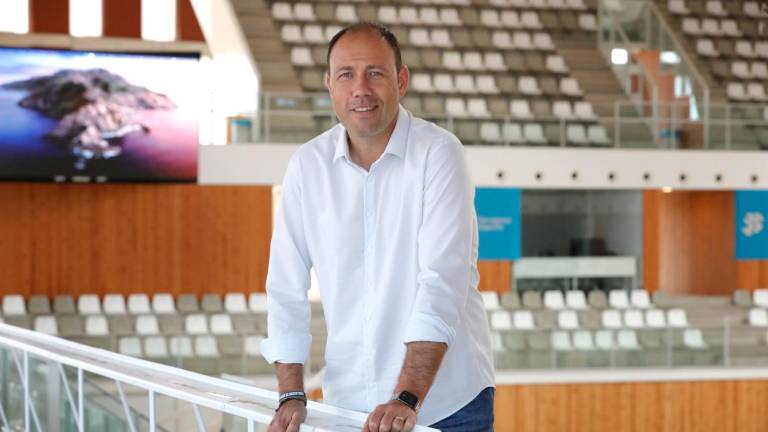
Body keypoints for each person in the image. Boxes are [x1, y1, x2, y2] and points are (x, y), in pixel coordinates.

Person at [260, 22, 495, 432]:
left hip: (445, 406)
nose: (360, 90)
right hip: (348, 402)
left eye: (376, 73)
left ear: (401, 81)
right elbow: (285, 287)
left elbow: (442, 280)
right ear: (329, 84)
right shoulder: (306, 166)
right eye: (346, 75)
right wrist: (291, 392)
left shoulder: (439, 154)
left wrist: (407, 396)